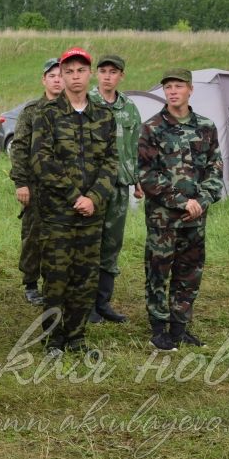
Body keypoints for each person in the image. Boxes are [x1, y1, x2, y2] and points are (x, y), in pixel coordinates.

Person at [31, 47, 117, 356]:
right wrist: (73, 196)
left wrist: (93, 197)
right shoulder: (48, 115)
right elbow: (41, 161)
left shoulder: (104, 116)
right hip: (58, 213)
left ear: (89, 73)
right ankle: (54, 340)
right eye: (69, 71)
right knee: (56, 277)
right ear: (62, 75)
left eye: (81, 70)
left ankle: (77, 338)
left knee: (85, 277)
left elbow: (111, 162)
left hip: (91, 214)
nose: (75, 76)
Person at [138, 68, 223, 351]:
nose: (172, 92)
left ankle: (179, 326)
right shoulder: (151, 128)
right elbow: (147, 174)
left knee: (189, 271)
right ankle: (159, 329)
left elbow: (215, 168)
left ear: (190, 90)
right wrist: (181, 202)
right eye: (168, 87)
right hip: (164, 218)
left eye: (178, 86)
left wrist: (201, 200)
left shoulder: (206, 127)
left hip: (196, 218)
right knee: (158, 272)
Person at [87, 55, 143, 324]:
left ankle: (103, 302)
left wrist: (138, 182)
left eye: (113, 72)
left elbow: (135, 147)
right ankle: (85, 304)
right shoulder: (85, 103)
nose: (107, 76)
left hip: (120, 185)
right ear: (96, 74)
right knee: (89, 243)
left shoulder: (129, 108)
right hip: (93, 187)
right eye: (103, 71)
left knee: (112, 244)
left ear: (122, 76)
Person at [9, 58, 63, 306]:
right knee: (33, 236)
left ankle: (56, 281)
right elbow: (19, 148)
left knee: (60, 238)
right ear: (44, 79)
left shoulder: (74, 109)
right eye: (52, 75)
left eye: (61, 75)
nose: (57, 80)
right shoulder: (32, 111)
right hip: (36, 186)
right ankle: (30, 283)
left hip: (65, 189)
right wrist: (21, 183)